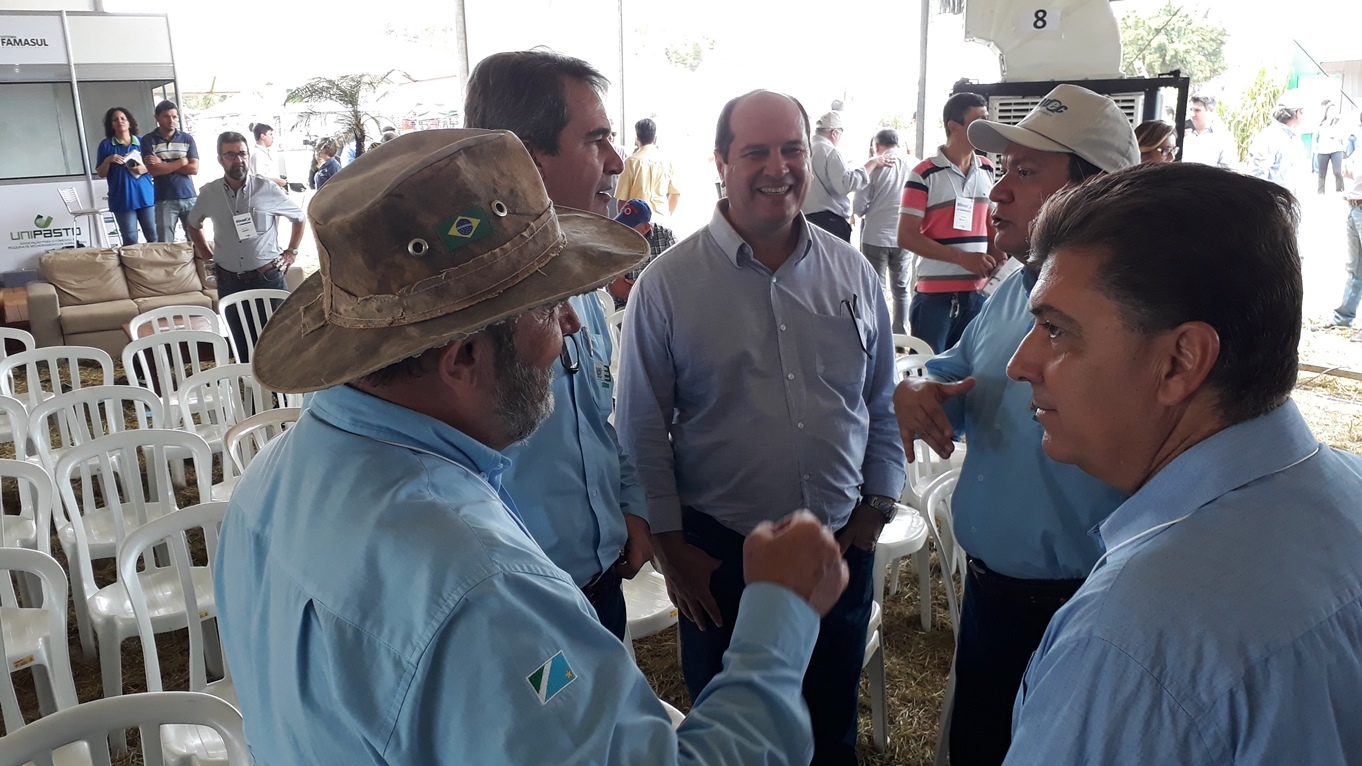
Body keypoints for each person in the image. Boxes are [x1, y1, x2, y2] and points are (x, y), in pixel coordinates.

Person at [216, 128, 851, 765]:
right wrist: (780, 619)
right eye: (548, 309)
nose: (571, 324)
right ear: (465, 358)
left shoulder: (265, 487)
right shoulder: (483, 591)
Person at [1001, 161, 1362, 765]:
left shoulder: (1130, 640)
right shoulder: (1350, 489)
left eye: (1057, 331)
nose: (1020, 364)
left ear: (1180, 361)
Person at [617, 89, 907, 766]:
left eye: (791, 150)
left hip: (838, 544)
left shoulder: (852, 272)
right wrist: (670, 547)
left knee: (830, 726)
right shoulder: (667, 285)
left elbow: (880, 398)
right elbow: (640, 429)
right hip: (720, 559)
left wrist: (877, 503)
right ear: (720, 163)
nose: (778, 168)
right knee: (736, 738)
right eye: (756, 153)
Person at [893, 83, 1138, 766]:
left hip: (1085, 609)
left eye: (1025, 174)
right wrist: (917, 391)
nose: (997, 193)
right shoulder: (1013, 292)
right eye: (1004, 171)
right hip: (992, 596)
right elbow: (957, 374)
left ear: (1094, 191)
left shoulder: (1140, 319)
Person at [463, 50, 651, 639]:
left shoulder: (580, 283)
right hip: (516, 613)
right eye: (596, 141)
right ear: (525, 161)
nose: (616, 161)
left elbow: (597, 417)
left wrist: (631, 502)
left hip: (601, 583)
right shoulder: (455, 321)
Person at [185, 132, 304, 362]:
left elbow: (299, 218)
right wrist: (207, 255)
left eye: (242, 153)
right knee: (241, 346)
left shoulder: (267, 189)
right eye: (230, 154)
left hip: (267, 278)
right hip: (230, 283)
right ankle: (248, 385)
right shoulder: (209, 193)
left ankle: (279, 387)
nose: (238, 159)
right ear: (220, 159)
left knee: (278, 344)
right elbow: (193, 224)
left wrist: (292, 251)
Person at [897, 92, 1000, 353]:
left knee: (970, 368)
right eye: (978, 121)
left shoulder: (987, 169)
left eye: (987, 119)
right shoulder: (923, 174)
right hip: (935, 298)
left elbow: (990, 224)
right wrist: (962, 258)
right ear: (954, 126)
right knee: (929, 369)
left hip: (978, 294)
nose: (986, 127)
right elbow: (906, 236)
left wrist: (1000, 261)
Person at [854, 128, 914, 334]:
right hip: (904, 236)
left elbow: (858, 207)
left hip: (875, 235)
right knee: (902, 289)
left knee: (876, 289)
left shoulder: (874, 166)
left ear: (877, 146)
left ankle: (879, 335)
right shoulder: (915, 165)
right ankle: (900, 337)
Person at [801, 110, 895, 241]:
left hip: (806, 218)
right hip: (828, 221)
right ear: (834, 133)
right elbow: (846, 184)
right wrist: (871, 163)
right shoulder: (829, 151)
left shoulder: (806, 148)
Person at [95, 107, 155, 245]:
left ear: (129, 122)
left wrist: (144, 169)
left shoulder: (143, 142)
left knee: (154, 236)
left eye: (123, 118)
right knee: (130, 239)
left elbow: (157, 166)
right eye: (115, 120)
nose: (120, 122)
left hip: (146, 197)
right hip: (122, 199)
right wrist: (108, 160)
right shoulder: (106, 145)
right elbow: (101, 173)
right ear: (111, 124)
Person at [141, 100, 199, 242]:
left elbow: (193, 169)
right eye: (166, 116)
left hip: (189, 196)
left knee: (196, 242)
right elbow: (154, 170)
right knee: (165, 245)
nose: (171, 120)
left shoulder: (187, 138)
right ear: (157, 118)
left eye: (174, 117)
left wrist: (163, 163)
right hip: (164, 198)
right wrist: (181, 161)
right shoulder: (148, 140)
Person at [1318, 150, 1362, 337]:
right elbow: (1345, 169)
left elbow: (1353, 170)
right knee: (1354, 267)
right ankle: (1343, 318)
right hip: (1354, 207)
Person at [607, 198, 676, 309]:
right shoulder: (614, 240)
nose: (623, 231)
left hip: (662, 304)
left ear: (646, 228)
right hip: (625, 307)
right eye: (621, 225)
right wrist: (652, 288)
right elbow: (618, 289)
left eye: (630, 227)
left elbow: (675, 279)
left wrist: (640, 287)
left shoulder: (665, 237)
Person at [616, 118, 681, 221]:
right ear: (655, 138)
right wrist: (667, 215)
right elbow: (675, 194)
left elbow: (622, 201)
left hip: (637, 223)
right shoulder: (667, 161)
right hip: (662, 222)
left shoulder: (631, 162)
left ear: (637, 137)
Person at [1246, 93, 1308, 194]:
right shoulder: (1269, 137)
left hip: (1289, 199)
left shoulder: (1294, 138)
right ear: (1298, 113)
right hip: (1273, 200)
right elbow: (1257, 176)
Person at [1182, 94, 1234, 168]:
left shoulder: (1223, 138)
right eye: (1191, 110)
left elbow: (1228, 169)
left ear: (1211, 111)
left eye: (1197, 110)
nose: (1192, 114)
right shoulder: (1182, 133)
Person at [1315, 100, 1348, 194]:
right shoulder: (1322, 123)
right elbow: (1319, 135)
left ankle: (1340, 190)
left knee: (1337, 172)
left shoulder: (1340, 122)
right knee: (1322, 173)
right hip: (1323, 150)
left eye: (1334, 110)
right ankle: (1320, 192)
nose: (1332, 113)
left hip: (1336, 149)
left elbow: (1341, 135)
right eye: (1331, 110)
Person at [249, 123, 287, 188]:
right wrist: (278, 181)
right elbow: (259, 179)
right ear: (262, 136)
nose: (272, 137)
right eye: (270, 134)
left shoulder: (265, 152)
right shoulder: (257, 154)